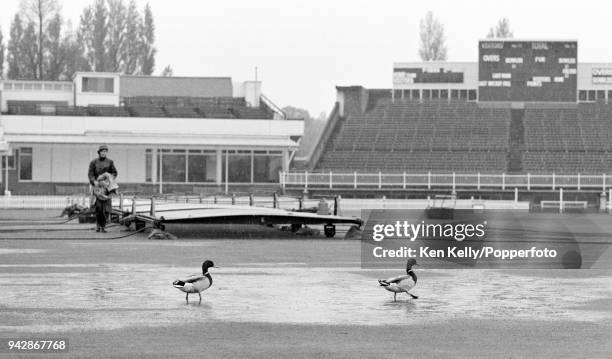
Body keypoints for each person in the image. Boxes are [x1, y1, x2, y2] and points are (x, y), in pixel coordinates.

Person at [88, 145, 118, 232]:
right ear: (99, 152)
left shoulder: (110, 162)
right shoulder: (93, 162)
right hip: (97, 188)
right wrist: (94, 181)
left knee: (106, 208)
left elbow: (114, 173)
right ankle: (98, 224)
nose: (104, 153)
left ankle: (103, 226)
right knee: (98, 207)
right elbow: (90, 174)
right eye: (102, 151)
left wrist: (109, 180)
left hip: (107, 188)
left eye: (105, 151)